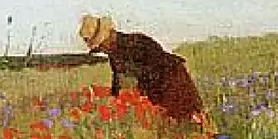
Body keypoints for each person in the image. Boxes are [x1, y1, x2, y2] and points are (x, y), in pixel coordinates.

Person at [78, 14, 206, 124]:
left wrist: (139, 94)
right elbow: (117, 79)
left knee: (187, 118)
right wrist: (115, 98)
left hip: (172, 78)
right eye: (99, 49)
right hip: (156, 85)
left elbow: (157, 70)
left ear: (110, 36)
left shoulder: (137, 42)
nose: (102, 51)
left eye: (101, 46)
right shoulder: (114, 54)